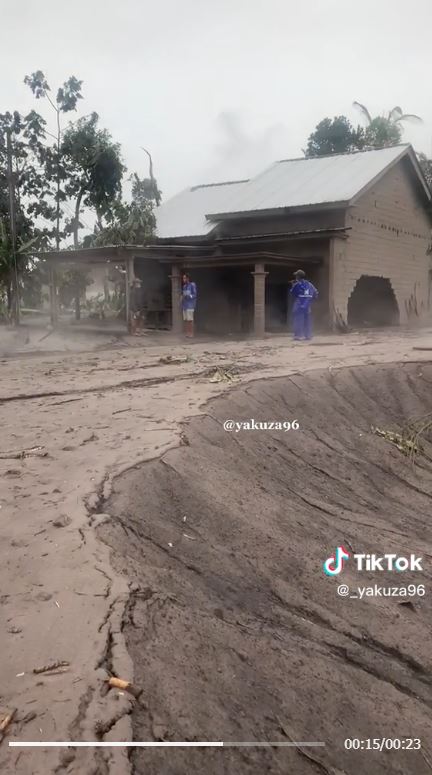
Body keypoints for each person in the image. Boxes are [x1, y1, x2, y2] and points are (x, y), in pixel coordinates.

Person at [289, 269, 318, 341]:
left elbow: (292, 293)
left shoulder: (297, 284)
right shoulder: (310, 284)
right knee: (307, 321)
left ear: (298, 276)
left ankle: (298, 336)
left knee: (298, 320)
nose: (295, 277)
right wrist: (309, 300)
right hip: (307, 306)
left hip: (299, 305)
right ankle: (308, 336)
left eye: (296, 275)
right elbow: (316, 293)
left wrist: (293, 285)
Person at [181, 273, 197, 338]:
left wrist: (188, 295)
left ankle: (191, 333)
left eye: (184, 278)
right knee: (186, 320)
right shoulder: (184, 286)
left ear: (188, 278)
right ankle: (187, 333)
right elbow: (183, 294)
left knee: (190, 320)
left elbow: (195, 295)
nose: (183, 279)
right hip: (184, 305)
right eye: (183, 278)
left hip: (190, 304)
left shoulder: (192, 285)